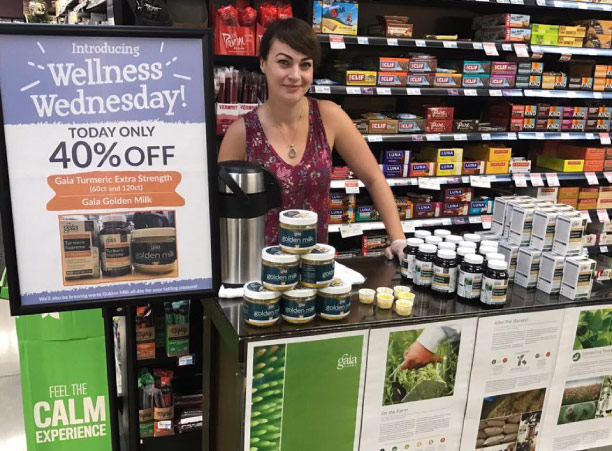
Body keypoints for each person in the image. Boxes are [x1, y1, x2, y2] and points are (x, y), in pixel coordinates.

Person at [218, 17, 405, 259]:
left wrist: (398, 239)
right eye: (284, 62)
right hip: (260, 275)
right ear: (263, 63)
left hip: (316, 270)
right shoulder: (242, 132)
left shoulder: (329, 117)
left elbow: (374, 178)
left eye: (305, 65)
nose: (295, 75)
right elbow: (220, 209)